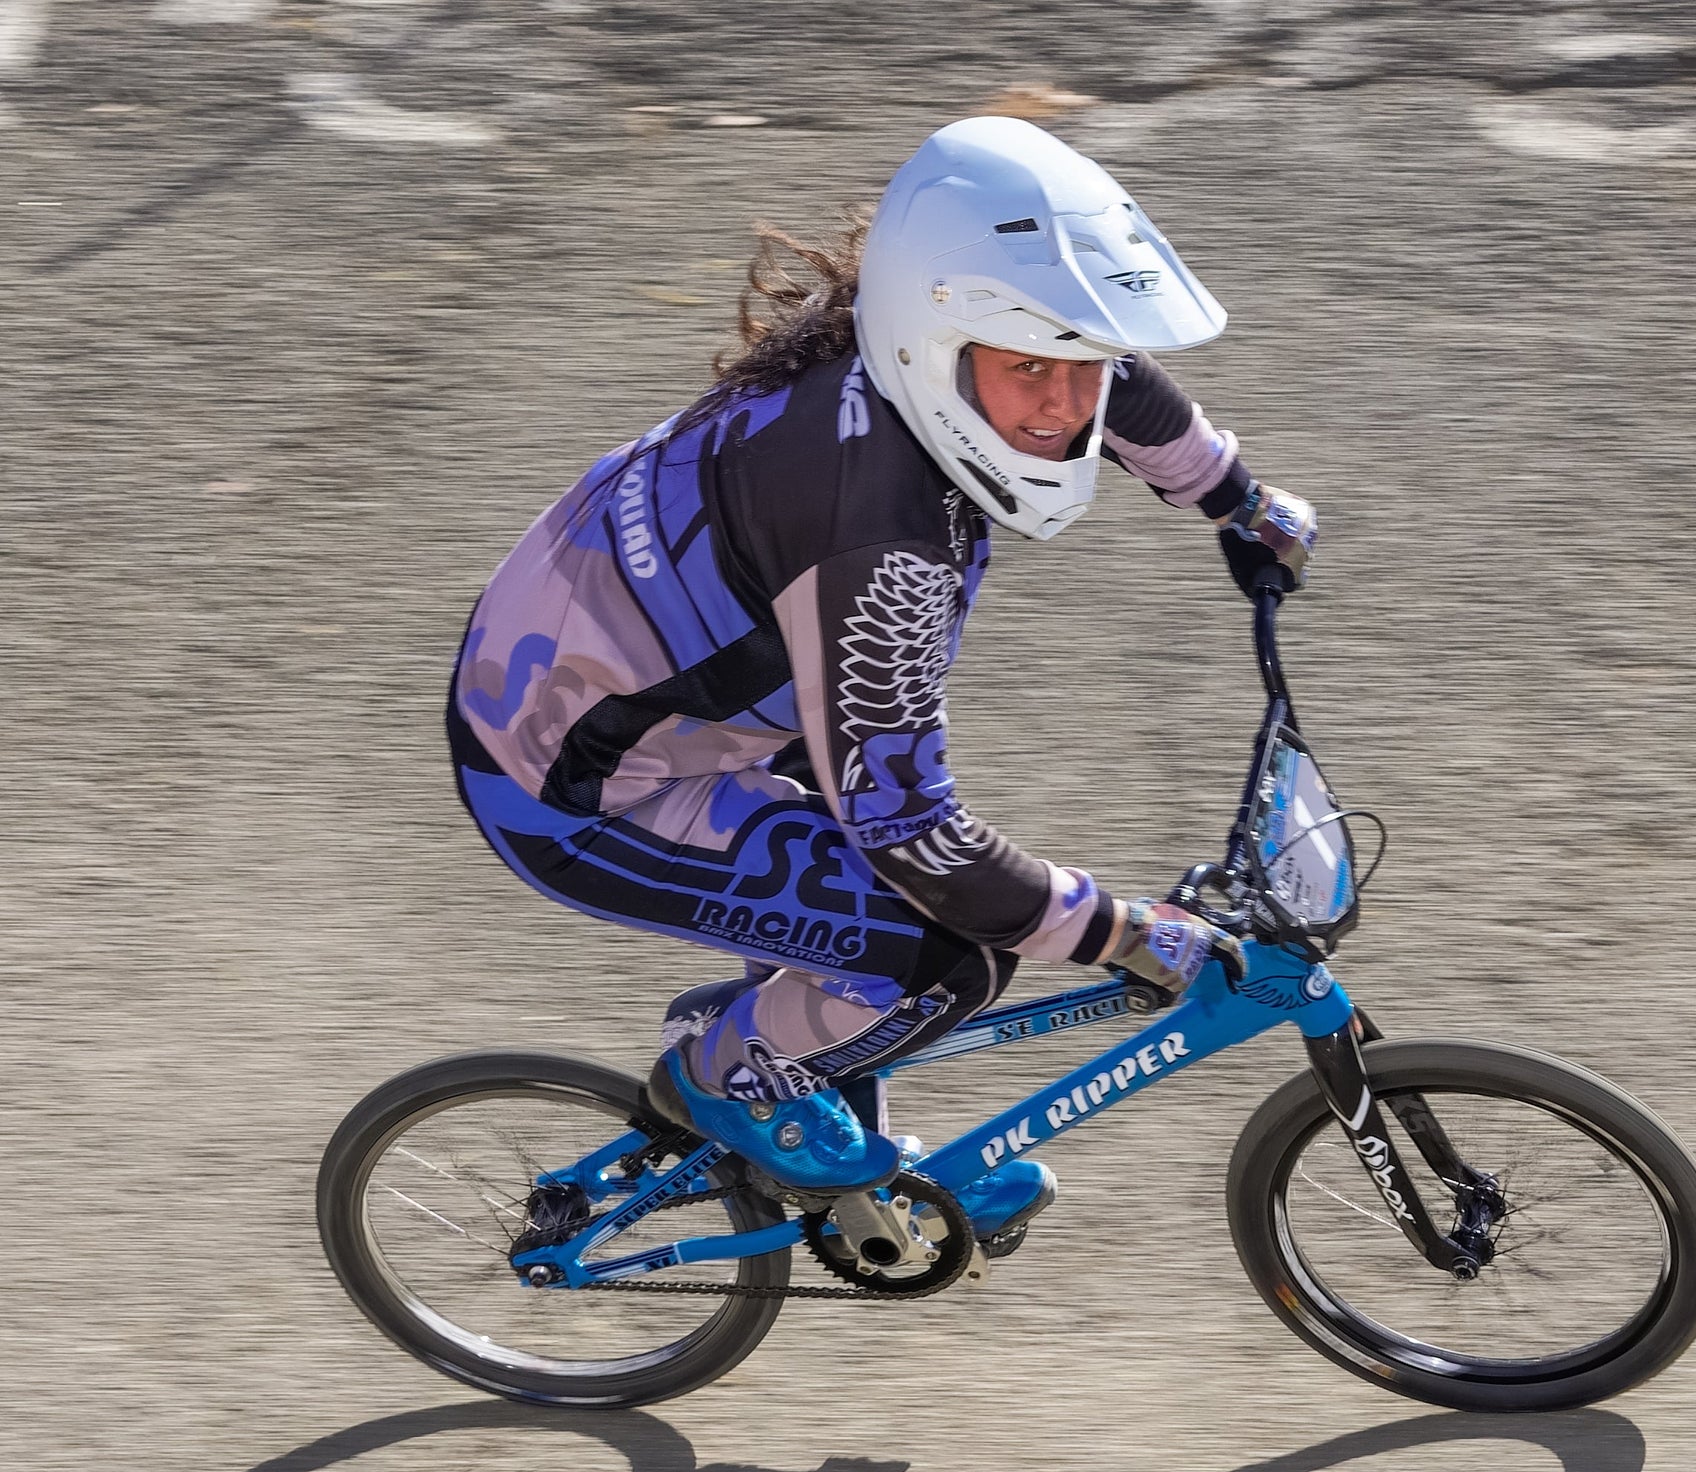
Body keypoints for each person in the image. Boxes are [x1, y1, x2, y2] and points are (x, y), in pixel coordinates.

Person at [448, 117, 1317, 1251]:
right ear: (936, 337)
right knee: (945, 959)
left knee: (877, 922)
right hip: (577, 787)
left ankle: (807, 1078)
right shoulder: (877, 549)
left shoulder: (911, 355)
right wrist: (1129, 933)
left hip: (639, 689)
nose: (1067, 406)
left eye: (1082, 365)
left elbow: (1108, 376)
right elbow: (920, 839)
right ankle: (723, 1078)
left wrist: (1234, 499)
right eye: (1030, 369)